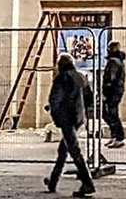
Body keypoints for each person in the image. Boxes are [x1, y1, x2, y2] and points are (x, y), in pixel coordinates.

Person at [43, 53, 95, 196]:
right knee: (63, 150)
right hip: (78, 118)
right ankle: (53, 181)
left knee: (73, 150)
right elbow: (89, 98)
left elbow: (55, 99)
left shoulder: (62, 78)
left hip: (67, 118)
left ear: (60, 64)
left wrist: (56, 117)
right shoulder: (80, 77)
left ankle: (87, 183)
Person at [101, 40, 126, 149]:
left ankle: (118, 137)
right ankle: (115, 136)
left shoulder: (113, 62)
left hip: (112, 92)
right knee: (111, 113)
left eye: (109, 48)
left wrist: (105, 91)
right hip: (117, 91)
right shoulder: (119, 61)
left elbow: (111, 78)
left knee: (111, 114)